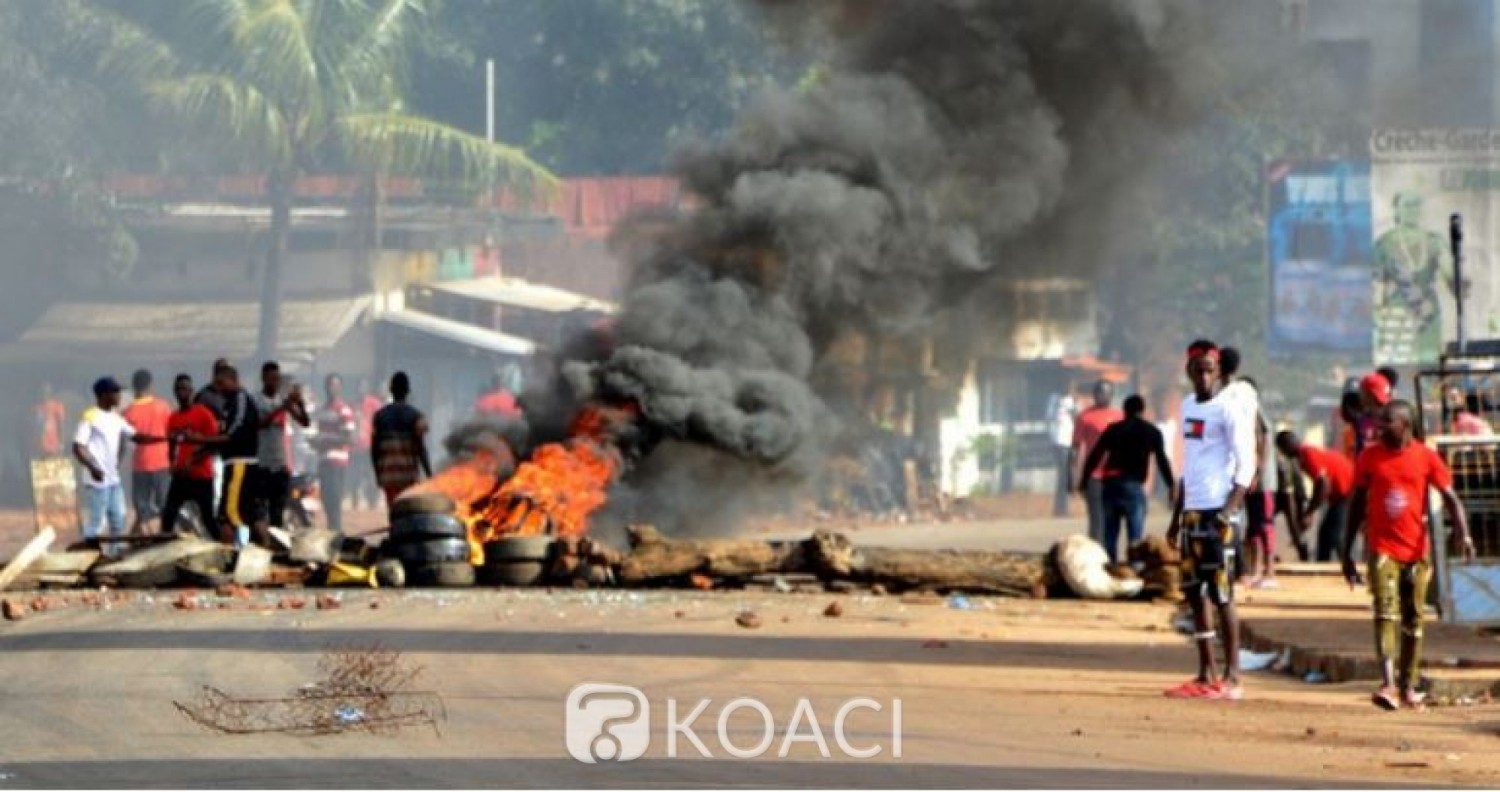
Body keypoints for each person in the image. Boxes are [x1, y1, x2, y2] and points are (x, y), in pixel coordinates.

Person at [1343, 400, 1474, 710]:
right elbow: (1355, 504)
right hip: (1382, 548)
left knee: (1414, 620)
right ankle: (1387, 683)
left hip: (1415, 550)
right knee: (1385, 610)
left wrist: (1463, 532)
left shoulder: (1426, 458)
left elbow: (1451, 498)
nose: (1379, 426)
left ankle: (1408, 685)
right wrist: (1346, 550)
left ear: (1405, 424)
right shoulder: (1369, 457)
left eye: (1387, 421)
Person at [1165, 340, 1257, 701]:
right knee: (1193, 591)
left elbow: (1246, 463)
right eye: (1197, 370)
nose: (1203, 376)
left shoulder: (1228, 408)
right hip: (1192, 511)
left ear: (1217, 372)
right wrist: (1176, 518)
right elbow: (1189, 466)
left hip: (1220, 512)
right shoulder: (1188, 407)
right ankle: (1206, 670)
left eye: (1209, 370)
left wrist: (1229, 509)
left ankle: (1233, 675)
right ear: (1188, 371)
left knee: (1222, 594)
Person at [71, 378, 167, 557]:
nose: (119, 396)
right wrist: (92, 467)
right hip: (97, 480)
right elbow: (78, 446)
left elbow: (137, 436)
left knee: (118, 519)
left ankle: (114, 556)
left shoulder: (116, 418)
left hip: (113, 479)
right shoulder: (90, 416)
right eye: (115, 392)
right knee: (97, 522)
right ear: (104, 395)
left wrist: (164, 439)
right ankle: (88, 556)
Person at [1078, 394, 1174, 564]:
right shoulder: (1151, 431)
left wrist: (1084, 480)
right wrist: (1171, 485)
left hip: (1110, 485)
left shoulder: (1113, 429)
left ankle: (1110, 570)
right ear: (1142, 410)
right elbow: (1162, 460)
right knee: (1135, 540)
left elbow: (1095, 455)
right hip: (1133, 488)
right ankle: (1135, 574)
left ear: (1125, 410)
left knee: (1110, 536)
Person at [1373, 192, 1460, 363]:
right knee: (1397, 362)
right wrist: (1377, 311)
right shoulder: (1385, 243)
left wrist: (1457, 279)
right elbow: (1377, 284)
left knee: (1429, 361)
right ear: (1396, 211)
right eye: (1407, 205)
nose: (1413, 210)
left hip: (1427, 311)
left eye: (1417, 205)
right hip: (1397, 311)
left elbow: (1450, 274)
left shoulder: (1434, 241)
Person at [1276, 431, 1355, 563]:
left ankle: (1341, 564)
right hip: (1341, 493)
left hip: (1347, 491)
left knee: (1333, 532)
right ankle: (1325, 564)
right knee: (1327, 533)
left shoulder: (1308, 454)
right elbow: (1319, 486)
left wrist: (1310, 512)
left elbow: (1323, 485)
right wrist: (1311, 511)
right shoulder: (1304, 456)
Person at [160, 375, 222, 539]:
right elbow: (172, 443)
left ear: (191, 391)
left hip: (201, 476)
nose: (182, 392)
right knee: (168, 514)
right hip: (181, 475)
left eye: (185, 388)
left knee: (208, 517)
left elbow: (214, 444)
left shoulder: (203, 414)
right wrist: (172, 463)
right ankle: (163, 546)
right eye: (179, 389)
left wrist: (194, 461)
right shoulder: (174, 418)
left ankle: (225, 546)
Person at [251, 362, 310, 530]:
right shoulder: (256, 400)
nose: (274, 383)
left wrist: (299, 403)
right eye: (271, 379)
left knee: (277, 511)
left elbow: (304, 421)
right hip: (262, 463)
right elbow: (258, 424)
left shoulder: (282, 400)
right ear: (263, 379)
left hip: (280, 464)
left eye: (276, 380)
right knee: (260, 511)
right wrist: (280, 408)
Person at [214, 365, 265, 547]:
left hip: (240, 464)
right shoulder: (230, 402)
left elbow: (234, 433)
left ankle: (229, 559)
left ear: (233, 380)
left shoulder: (240, 399)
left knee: (227, 517)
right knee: (251, 515)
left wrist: (202, 438)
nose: (219, 389)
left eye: (222, 383)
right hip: (235, 464)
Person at [121, 369, 173, 535]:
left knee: (141, 505)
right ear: (150, 385)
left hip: (140, 465)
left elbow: (124, 442)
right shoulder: (163, 407)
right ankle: (165, 534)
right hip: (162, 462)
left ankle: (145, 532)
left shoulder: (128, 412)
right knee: (163, 502)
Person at [1071, 380, 1123, 546]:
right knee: (1096, 516)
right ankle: (1096, 551)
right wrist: (1072, 475)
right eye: (1100, 392)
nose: (1103, 396)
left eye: (1107, 392)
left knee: (1113, 515)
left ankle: (1110, 553)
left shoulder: (1120, 416)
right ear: (1094, 395)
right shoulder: (1085, 417)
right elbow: (1076, 447)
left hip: (1115, 473)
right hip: (1094, 474)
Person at [371, 372, 433, 507]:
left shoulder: (379, 417)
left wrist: (378, 475)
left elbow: (375, 450)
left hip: (389, 476)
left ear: (391, 390)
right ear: (408, 391)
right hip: (409, 477)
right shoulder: (416, 417)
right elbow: (421, 449)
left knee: (394, 512)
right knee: (407, 512)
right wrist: (429, 474)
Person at [314, 373, 358, 533]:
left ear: (340, 388)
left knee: (334, 500)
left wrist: (326, 442)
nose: (331, 388)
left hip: (337, 461)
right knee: (326, 499)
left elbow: (350, 438)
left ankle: (336, 532)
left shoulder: (343, 410)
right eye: (329, 385)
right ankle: (332, 530)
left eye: (334, 385)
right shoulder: (322, 410)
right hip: (323, 460)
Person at [1049, 391, 1077, 518]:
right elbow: (1050, 417)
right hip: (1059, 441)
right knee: (1063, 476)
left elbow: (1077, 418)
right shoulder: (1054, 399)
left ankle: (1062, 507)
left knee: (1067, 475)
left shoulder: (1072, 400)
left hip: (1070, 441)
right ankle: (1061, 508)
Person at [34, 384, 66, 459]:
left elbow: (61, 424)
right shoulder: (39, 407)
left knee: (55, 464)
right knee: (43, 465)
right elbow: (37, 426)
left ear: (51, 393)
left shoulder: (57, 406)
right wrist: (36, 441)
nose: (44, 394)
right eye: (42, 392)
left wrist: (62, 442)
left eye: (46, 392)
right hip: (42, 441)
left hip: (54, 441)